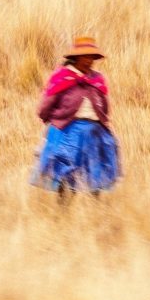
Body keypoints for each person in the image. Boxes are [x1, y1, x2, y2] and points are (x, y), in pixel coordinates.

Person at [30, 36, 121, 197]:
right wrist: (53, 123)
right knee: (67, 172)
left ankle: (96, 212)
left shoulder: (97, 80)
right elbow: (45, 107)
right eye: (85, 57)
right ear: (76, 58)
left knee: (96, 171)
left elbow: (104, 108)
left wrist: (102, 123)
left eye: (92, 57)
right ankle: (63, 212)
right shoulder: (62, 77)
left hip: (95, 132)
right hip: (69, 131)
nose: (89, 61)